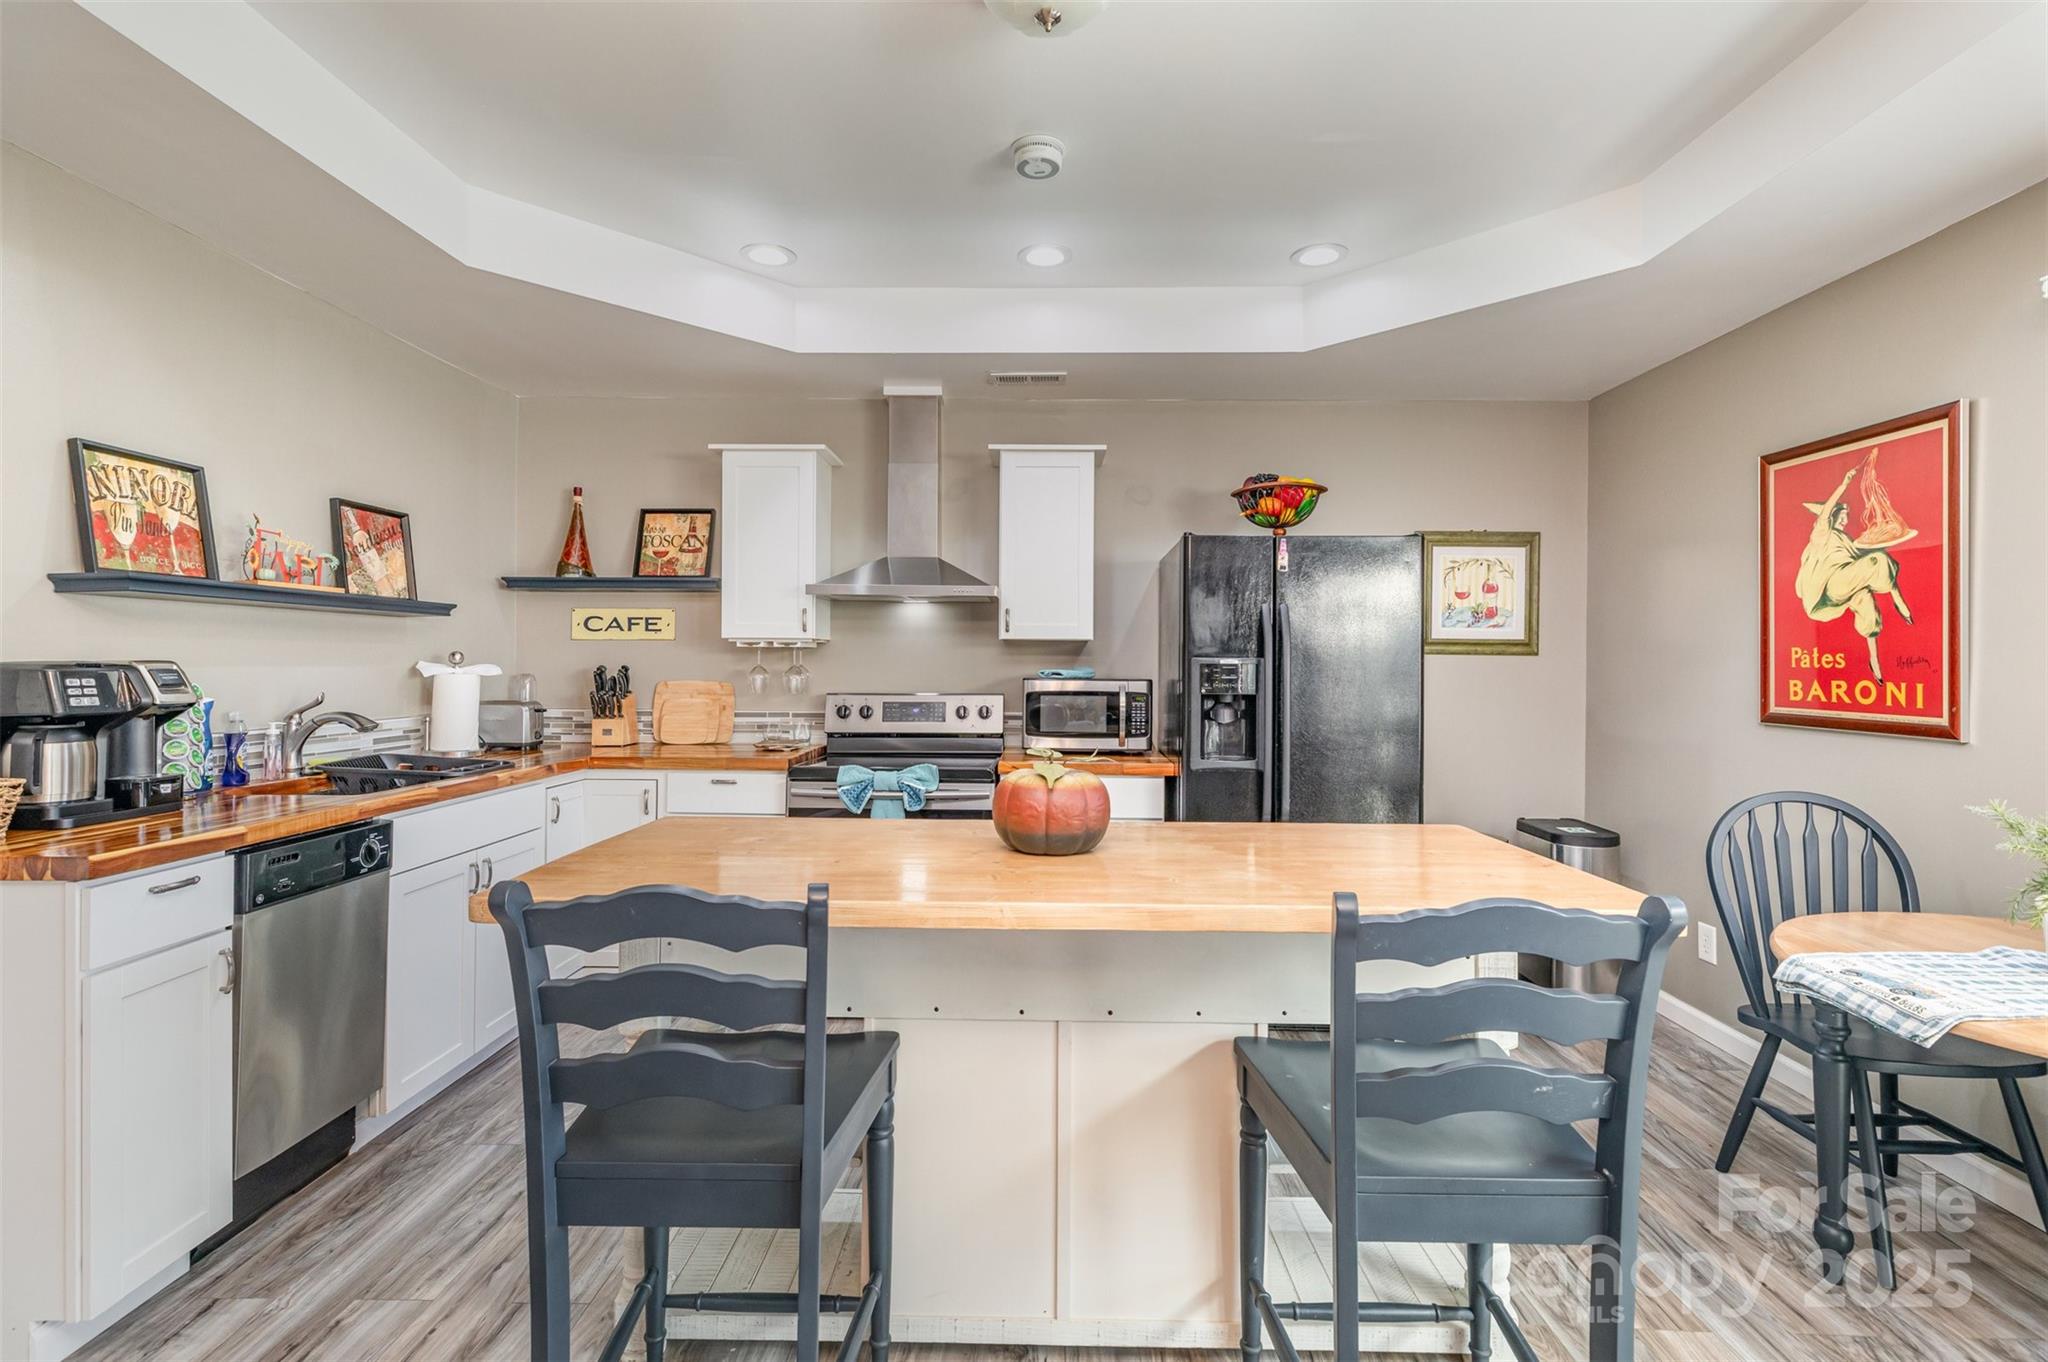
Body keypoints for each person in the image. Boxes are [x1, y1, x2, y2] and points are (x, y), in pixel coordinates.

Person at [1794, 464, 1912, 681]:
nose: (1845, 520)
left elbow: (1860, 555)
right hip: (1832, 586)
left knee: (1867, 600)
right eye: (1842, 516)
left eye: (1846, 516)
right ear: (1833, 516)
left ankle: (1874, 660)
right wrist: (1844, 484)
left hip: (1843, 587)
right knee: (1878, 560)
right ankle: (1897, 598)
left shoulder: (1846, 539)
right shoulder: (1822, 534)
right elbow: (1826, 513)